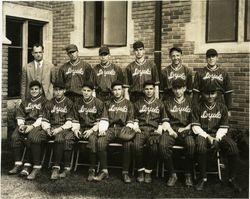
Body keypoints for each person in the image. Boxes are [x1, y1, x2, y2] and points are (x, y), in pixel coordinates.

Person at [192, 83, 241, 192]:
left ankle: (232, 178)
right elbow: (195, 126)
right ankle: (203, 178)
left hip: (219, 134)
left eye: (212, 93)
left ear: (217, 94)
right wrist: (208, 137)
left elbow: (224, 127)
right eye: (207, 94)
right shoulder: (197, 107)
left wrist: (217, 138)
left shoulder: (222, 107)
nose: (210, 96)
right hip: (203, 134)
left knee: (233, 147)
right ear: (202, 94)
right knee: (200, 146)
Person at [95, 80, 135, 183]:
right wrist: (103, 129)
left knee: (128, 144)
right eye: (115, 90)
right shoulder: (107, 103)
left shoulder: (129, 103)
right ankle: (104, 171)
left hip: (123, 128)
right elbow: (104, 118)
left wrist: (128, 129)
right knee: (100, 142)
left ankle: (125, 172)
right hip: (111, 128)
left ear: (122, 90)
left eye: (119, 89)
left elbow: (130, 120)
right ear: (112, 91)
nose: (117, 92)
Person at [35, 82, 75, 180]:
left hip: (64, 128)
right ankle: (35, 166)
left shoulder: (69, 103)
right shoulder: (49, 103)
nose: (57, 92)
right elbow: (44, 120)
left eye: (60, 90)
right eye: (56, 90)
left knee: (59, 138)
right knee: (35, 137)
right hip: (51, 127)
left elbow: (69, 122)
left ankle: (56, 167)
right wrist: (47, 128)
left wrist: (59, 129)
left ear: (64, 91)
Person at [159, 78, 195, 187]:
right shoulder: (167, 102)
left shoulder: (191, 102)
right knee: (163, 145)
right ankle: (172, 174)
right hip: (171, 129)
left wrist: (185, 129)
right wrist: (170, 131)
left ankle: (188, 174)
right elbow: (165, 120)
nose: (177, 91)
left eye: (180, 88)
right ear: (172, 90)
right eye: (175, 88)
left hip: (186, 129)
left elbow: (195, 121)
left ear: (184, 88)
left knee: (191, 145)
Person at [8, 80, 46, 177]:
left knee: (32, 137)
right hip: (25, 123)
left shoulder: (44, 101)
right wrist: (21, 125)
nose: (34, 91)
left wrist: (32, 126)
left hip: (38, 124)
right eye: (32, 89)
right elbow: (20, 115)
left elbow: (42, 118)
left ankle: (29, 165)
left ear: (40, 90)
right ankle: (18, 164)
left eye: (36, 89)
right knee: (15, 136)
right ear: (29, 90)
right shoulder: (25, 102)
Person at [132, 80, 168, 183]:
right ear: (143, 90)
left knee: (154, 148)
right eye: (147, 89)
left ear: (154, 90)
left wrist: (159, 131)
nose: (149, 91)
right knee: (136, 146)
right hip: (141, 130)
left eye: (151, 89)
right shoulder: (138, 103)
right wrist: (136, 127)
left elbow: (163, 120)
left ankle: (148, 172)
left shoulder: (160, 104)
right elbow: (135, 118)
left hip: (154, 131)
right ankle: (140, 171)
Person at [71, 82, 104, 181]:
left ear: (92, 92)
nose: (86, 93)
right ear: (81, 91)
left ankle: (92, 168)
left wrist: (91, 130)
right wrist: (75, 129)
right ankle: (66, 167)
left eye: (88, 91)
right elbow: (75, 119)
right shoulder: (77, 103)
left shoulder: (98, 103)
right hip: (81, 127)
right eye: (84, 90)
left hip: (93, 128)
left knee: (93, 139)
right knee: (69, 137)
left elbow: (101, 121)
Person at [193, 49, 233, 115]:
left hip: (219, 102)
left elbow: (228, 92)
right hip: (204, 102)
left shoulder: (223, 73)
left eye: (213, 56)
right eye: (209, 57)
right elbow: (196, 93)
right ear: (206, 59)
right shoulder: (200, 73)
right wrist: (194, 107)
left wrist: (229, 109)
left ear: (217, 58)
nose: (211, 59)